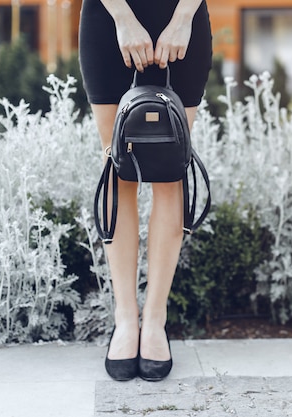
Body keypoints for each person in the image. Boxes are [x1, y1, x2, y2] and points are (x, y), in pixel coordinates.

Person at [78, 0, 212, 381]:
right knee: (117, 170)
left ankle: (155, 320)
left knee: (171, 172)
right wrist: (122, 17)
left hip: (182, 23)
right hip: (110, 21)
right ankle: (125, 320)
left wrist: (183, 17)